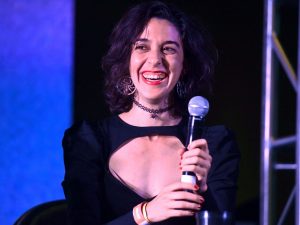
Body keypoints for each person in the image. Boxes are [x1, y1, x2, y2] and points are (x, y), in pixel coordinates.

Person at [62, 1, 240, 225]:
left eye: (168, 48)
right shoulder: (89, 140)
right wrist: (145, 213)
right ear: (127, 60)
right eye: (142, 47)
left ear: (184, 64)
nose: (155, 60)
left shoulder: (214, 143)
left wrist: (205, 189)